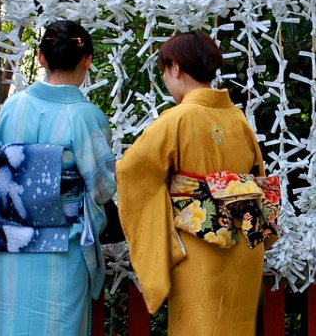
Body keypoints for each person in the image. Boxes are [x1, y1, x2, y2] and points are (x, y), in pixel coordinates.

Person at [117, 30, 280, 336]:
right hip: (243, 244)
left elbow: (132, 173)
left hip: (200, 242)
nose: (166, 79)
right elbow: (258, 174)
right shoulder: (237, 119)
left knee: (199, 325)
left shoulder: (176, 119)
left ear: (175, 67)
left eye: (165, 71)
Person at [0, 20, 116, 335]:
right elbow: (102, 188)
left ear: (41, 57)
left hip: (13, 240)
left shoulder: (14, 107)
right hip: (63, 244)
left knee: (15, 324)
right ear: (88, 60)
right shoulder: (85, 115)